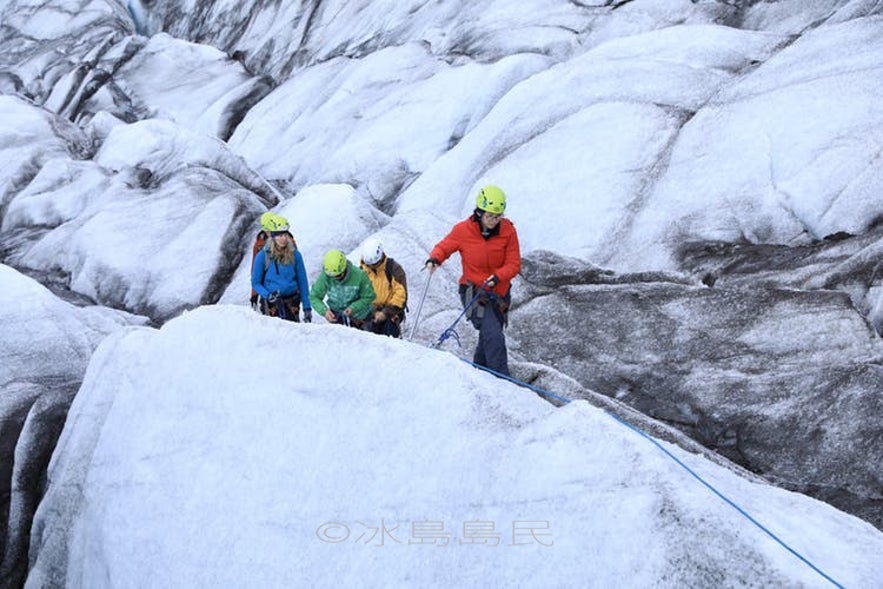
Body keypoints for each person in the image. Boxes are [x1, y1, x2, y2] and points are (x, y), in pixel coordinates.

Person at [425, 185, 521, 376]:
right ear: (479, 212)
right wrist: (435, 258)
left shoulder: (508, 231)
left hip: (499, 294)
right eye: (490, 216)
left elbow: (514, 263)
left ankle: (479, 373)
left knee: (488, 336)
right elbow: (445, 247)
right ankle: (503, 382)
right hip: (473, 292)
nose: (494, 220)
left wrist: (498, 276)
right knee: (493, 336)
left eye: (498, 216)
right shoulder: (463, 231)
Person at [251, 215, 312, 322]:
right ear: (273, 236)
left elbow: (303, 282)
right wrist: (268, 295)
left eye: (285, 235)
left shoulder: (295, 255)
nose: (283, 238)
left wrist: (307, 308)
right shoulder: (263, 256)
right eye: (279, 235)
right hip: (271, 304)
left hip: (292, 302)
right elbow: (255, 282)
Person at [309, 249, 375, 328]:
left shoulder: (360, 276)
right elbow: (314, 297)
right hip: (337, 317)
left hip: (360, 318)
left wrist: (354, 307)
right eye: (332, 276)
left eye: (338, 275)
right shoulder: (325, 276)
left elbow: (369, 296)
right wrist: (324, 311)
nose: (335, 279)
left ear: (345, 268)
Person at [359, 237, 407, 338]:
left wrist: (385, 313)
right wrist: (372, 311)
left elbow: (400, 295)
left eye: (375, 264)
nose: (373, 267)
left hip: (391, 311)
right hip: (369, 312)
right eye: (370, 265)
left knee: (389, 333)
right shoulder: (361, 272)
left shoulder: (393, 269)